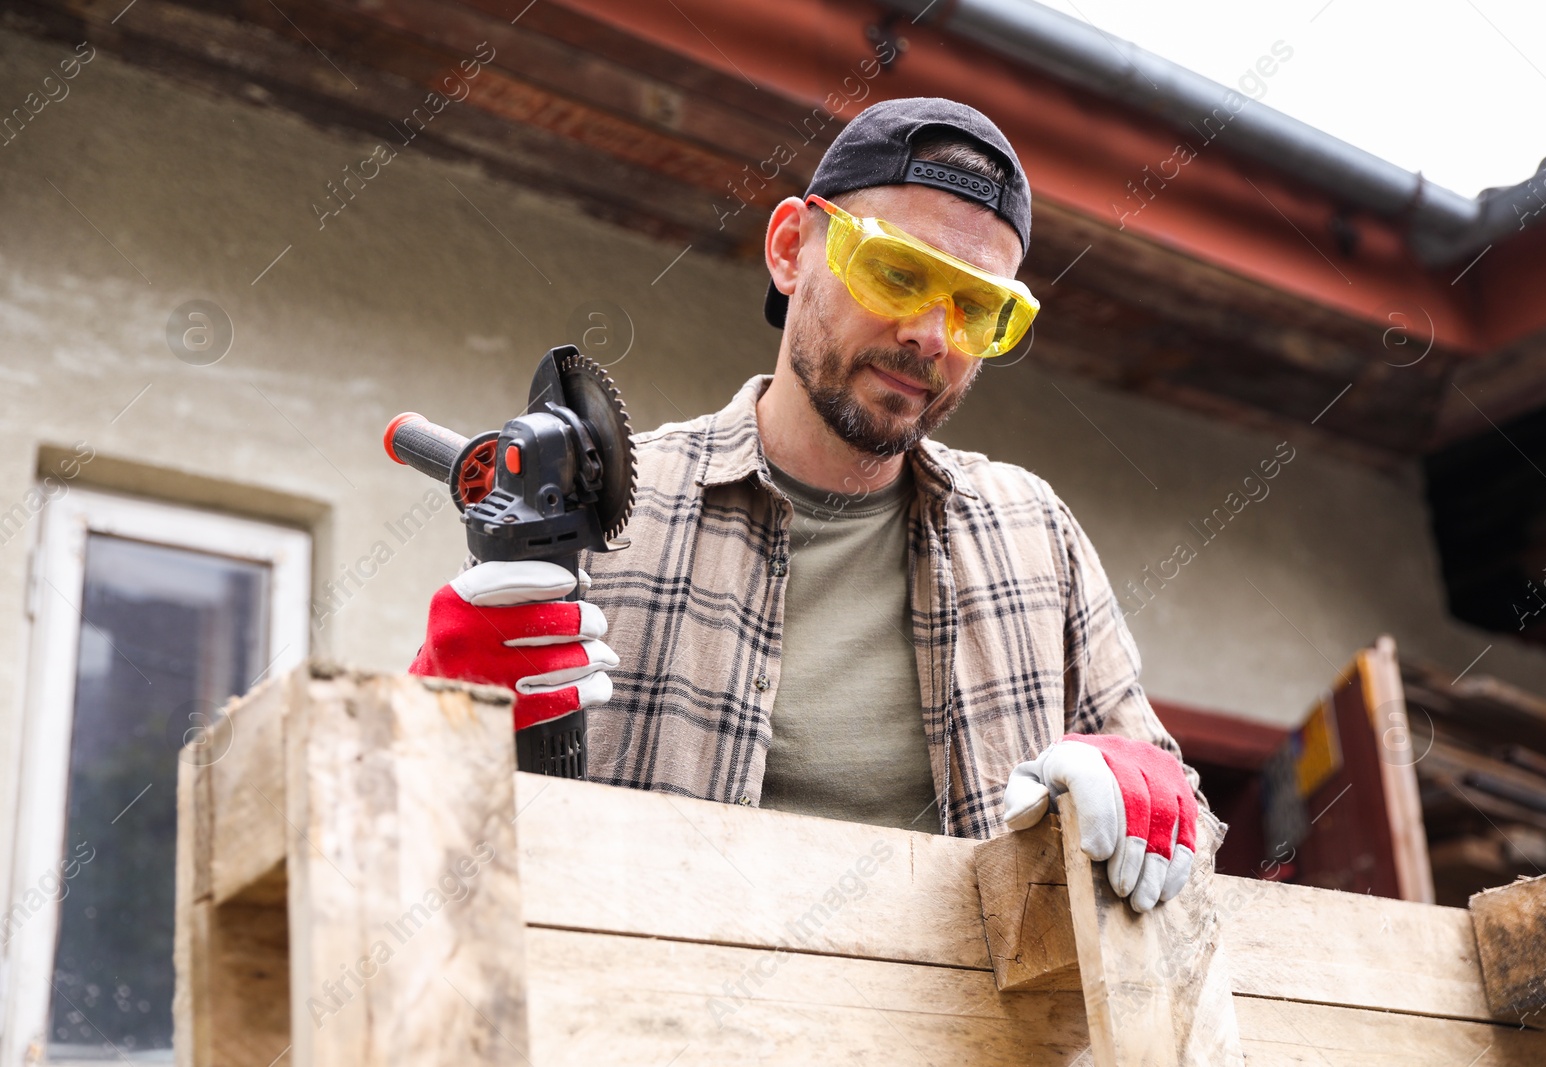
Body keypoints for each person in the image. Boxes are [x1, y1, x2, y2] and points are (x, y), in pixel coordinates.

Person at [412, 98, 1207, 912]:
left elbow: (1182, 835)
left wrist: (1153, 797)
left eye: (975, 309)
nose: (932, 333)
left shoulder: (1036, 536)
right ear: (791, 249)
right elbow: (423, 851)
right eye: (900, 272)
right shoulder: (609, 512)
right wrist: (441, 713)